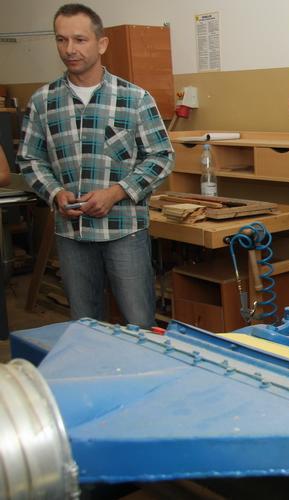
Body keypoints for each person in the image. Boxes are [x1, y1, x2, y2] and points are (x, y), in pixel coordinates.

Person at [18, 4, 174, 328]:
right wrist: (55, 193)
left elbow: (161, 156)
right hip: (71, 234)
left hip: (125, 231)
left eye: (79, 39)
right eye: (61, 40)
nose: (69, 49)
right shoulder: (43, 102)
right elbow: (30, 159)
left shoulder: (135, 98)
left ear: (101, 44)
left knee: (139, 322)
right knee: (85, 324)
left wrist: (116, 193)